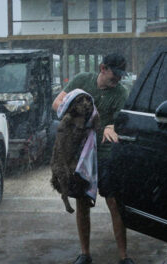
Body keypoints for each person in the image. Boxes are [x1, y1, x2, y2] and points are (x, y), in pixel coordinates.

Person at [52, 53, 132, 264]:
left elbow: (123, 121)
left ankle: (124, 257)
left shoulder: (121, 93)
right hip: (81, 153)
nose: (118, 80)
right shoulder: (82, 81)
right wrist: (77, 113)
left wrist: (112, 126)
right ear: (103, 68)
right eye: (115, 74)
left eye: (121, 76)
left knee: (114, 202)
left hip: (105, 154)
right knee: (82, 202)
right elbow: (56, 103)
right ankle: (85, 254)